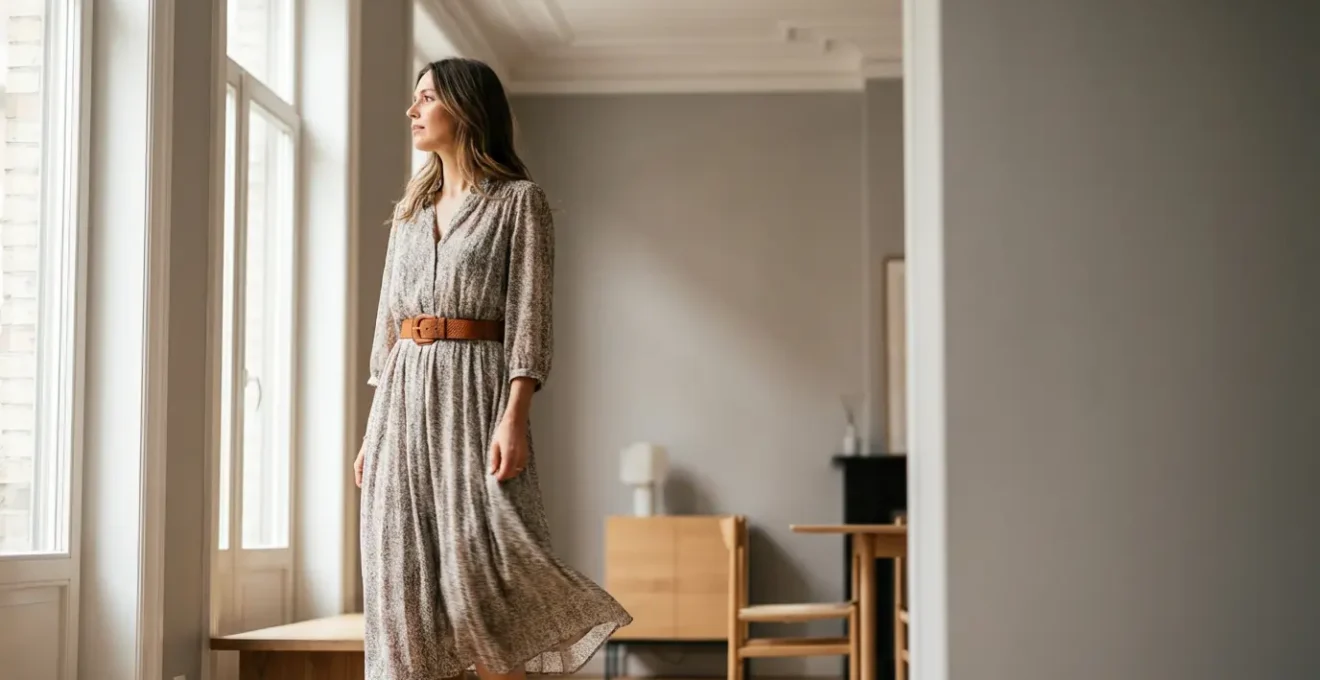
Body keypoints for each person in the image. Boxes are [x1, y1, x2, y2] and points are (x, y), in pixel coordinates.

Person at [354, 57, 632, 680]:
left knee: (483, 577)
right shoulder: (408, 215)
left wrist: (515, 416)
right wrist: (373, 432)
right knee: (397, 569)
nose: (412, 110)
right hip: (402, 403)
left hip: (475, 398)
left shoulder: (517, 203)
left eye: (426, 97)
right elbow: (387, 331)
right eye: (415, 98)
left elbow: (530, 318)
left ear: (466, 108)